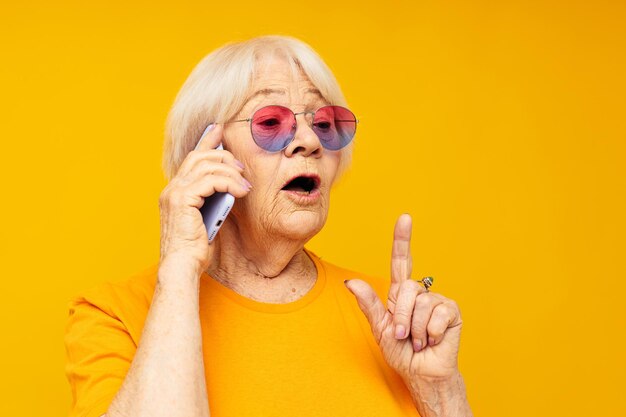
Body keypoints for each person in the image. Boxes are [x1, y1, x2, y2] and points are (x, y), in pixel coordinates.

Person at [65, 35, 472, 417]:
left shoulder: (392, 317)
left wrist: (439, 392)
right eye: (272, 122)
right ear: (209, 156)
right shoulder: (114, 315)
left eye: (325, 124)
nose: (310, 140)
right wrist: (178, 270)